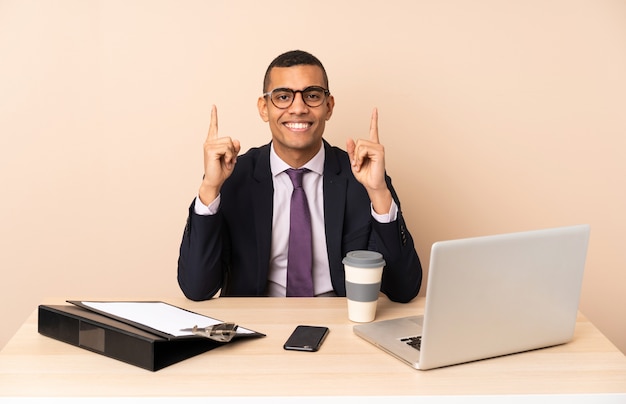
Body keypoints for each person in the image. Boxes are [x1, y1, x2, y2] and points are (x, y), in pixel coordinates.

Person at [177, 50, 422, 302]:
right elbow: (197, 288)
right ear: (264, 108)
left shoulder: (362, 176)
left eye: (312, 96)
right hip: (257, 325)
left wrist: (379, 193)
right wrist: (210, 187)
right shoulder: (233, 176)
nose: (298, 108)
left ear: (329, 107)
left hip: (340, 325)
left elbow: (403, 289)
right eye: (283, 97)